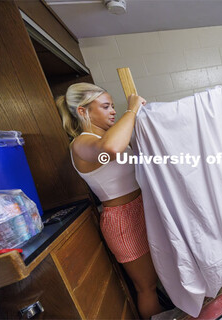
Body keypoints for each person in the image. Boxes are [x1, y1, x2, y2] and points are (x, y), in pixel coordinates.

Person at [56, 83, 163, 319]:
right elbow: (111, 150)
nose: (113, 111)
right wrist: (131, 110)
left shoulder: (108, 137)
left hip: (144, 209)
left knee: (164, 274)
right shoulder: (82, 144)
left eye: (113, 106)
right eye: (106, 106)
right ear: (83, 111)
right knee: (147, 287)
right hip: (123, 222)